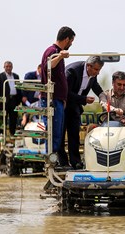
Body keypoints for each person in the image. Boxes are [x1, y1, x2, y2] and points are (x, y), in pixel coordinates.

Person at [59, 56, 104, 169]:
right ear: (88, 66)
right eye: (96, 70)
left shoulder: (92, 75)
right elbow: (66, 93)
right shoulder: (72, 71)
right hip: (63, 105)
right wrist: (84, 100)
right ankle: (63, 162)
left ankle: (75, 162)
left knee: (74, 134)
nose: (98, 73)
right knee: (60, 134)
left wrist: (104, 97)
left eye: (99, 70)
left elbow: (96, 86)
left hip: (75, 106)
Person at [40, 26, 76, 166]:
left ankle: (53, 162)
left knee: (58, 133)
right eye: (71, 41)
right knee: (53, 132)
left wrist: (64, 98)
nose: (71, 44)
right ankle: (51, 162)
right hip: (51, 99)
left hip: (58, 99)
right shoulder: (52, 51)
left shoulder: (57, 52)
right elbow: (48, 66)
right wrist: (60, 56)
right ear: (67, 39)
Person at [98, 71, 125, 136]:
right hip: (107, 126)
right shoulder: (104, 95)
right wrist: (114, 110)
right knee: (91, 127)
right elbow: (104, 104)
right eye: (119, 84)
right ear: (113, 83)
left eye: (124, 85)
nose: (122, 88)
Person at [0, 60, 22, 136]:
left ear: (12, 67)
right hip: (4, 101)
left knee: (13, 118)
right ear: (4, 67)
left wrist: (19, 101)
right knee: (3, 118)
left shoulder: (16, 76)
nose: (8, 68)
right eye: (7, 67)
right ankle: (2, 135)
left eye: (10, 67)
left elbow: (19, 88)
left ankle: (12, 134)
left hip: (14, 100)